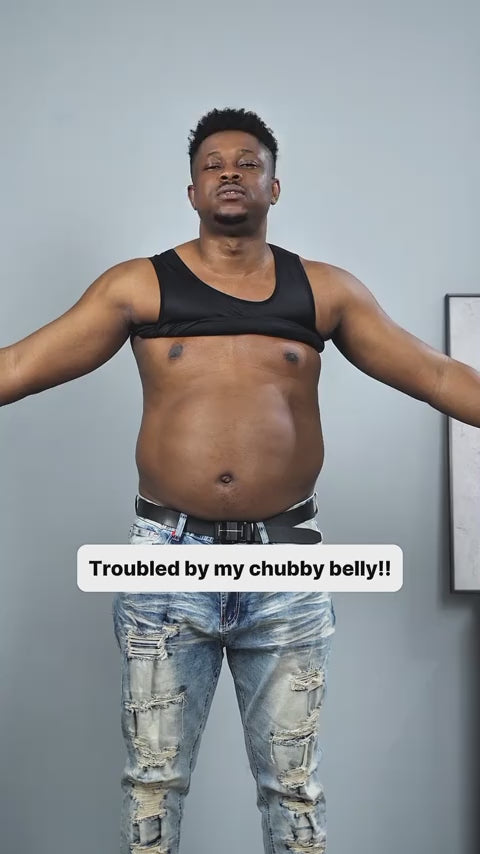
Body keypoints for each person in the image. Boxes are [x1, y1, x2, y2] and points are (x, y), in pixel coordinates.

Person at [1, 106, 479, 854]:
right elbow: (19, 366)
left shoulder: (324, 291)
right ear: (192, 191)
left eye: (248, 163)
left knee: (295, 789)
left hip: (285, 556)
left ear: (273, 186)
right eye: (213, 165)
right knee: (152, 784)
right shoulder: (138, 286)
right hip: (168, 557)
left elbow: (439, 375)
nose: (231, 173)